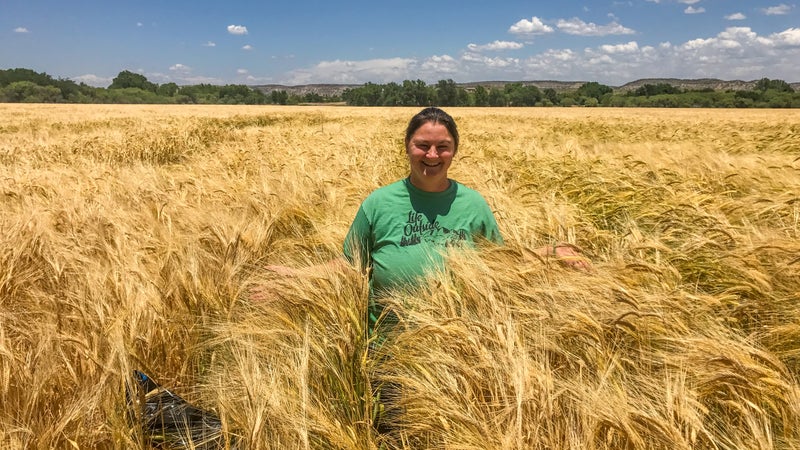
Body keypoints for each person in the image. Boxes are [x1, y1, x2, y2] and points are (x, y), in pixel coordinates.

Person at [257, 107, 589, 332]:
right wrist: (294, 277)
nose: (432, 155)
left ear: (455, 150)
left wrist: (549, 253)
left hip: (459, 349)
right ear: (407, 147)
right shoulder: (379, 203)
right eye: (423, 145)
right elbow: (350, 264)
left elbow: (498, 263)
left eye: (442, 147)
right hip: (388, 351)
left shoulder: (473, 204)